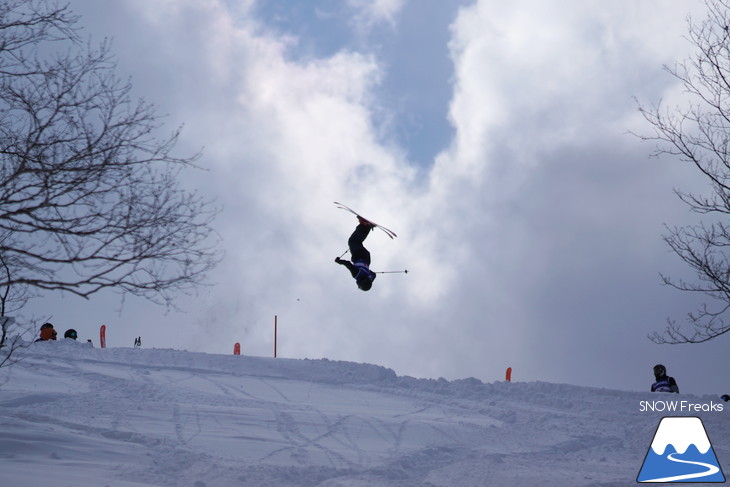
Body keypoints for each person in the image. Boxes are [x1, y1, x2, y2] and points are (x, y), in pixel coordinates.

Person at [335, 217, 377, 291]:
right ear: (360, 282)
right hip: (359, 256)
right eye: (359, 285)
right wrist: (339, 261)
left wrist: (370, 278)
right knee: (353, 241)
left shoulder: (370, 276)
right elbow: (348, 264)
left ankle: (367, 226)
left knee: (357, 242)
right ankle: (365, 225)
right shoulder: (356, 274)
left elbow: (374, 275)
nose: (357, 284)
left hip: (366, 258)